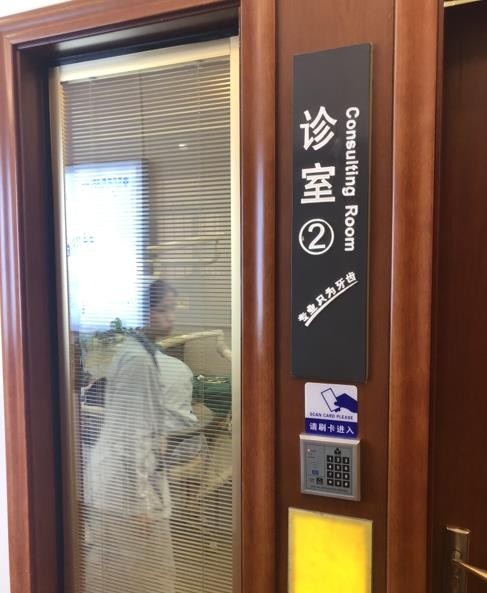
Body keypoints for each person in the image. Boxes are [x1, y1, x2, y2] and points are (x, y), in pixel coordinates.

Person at [84, 280, 198, 593]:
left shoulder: (135, 353)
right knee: (152, 575)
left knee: (112, 570)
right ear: (146, 313)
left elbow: (138, 425)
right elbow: (133, 437)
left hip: (114, 482)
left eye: (173, 309)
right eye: (164, 309)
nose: (171, 317)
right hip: (125, 490)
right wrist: (142, 503)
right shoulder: (138, 361)